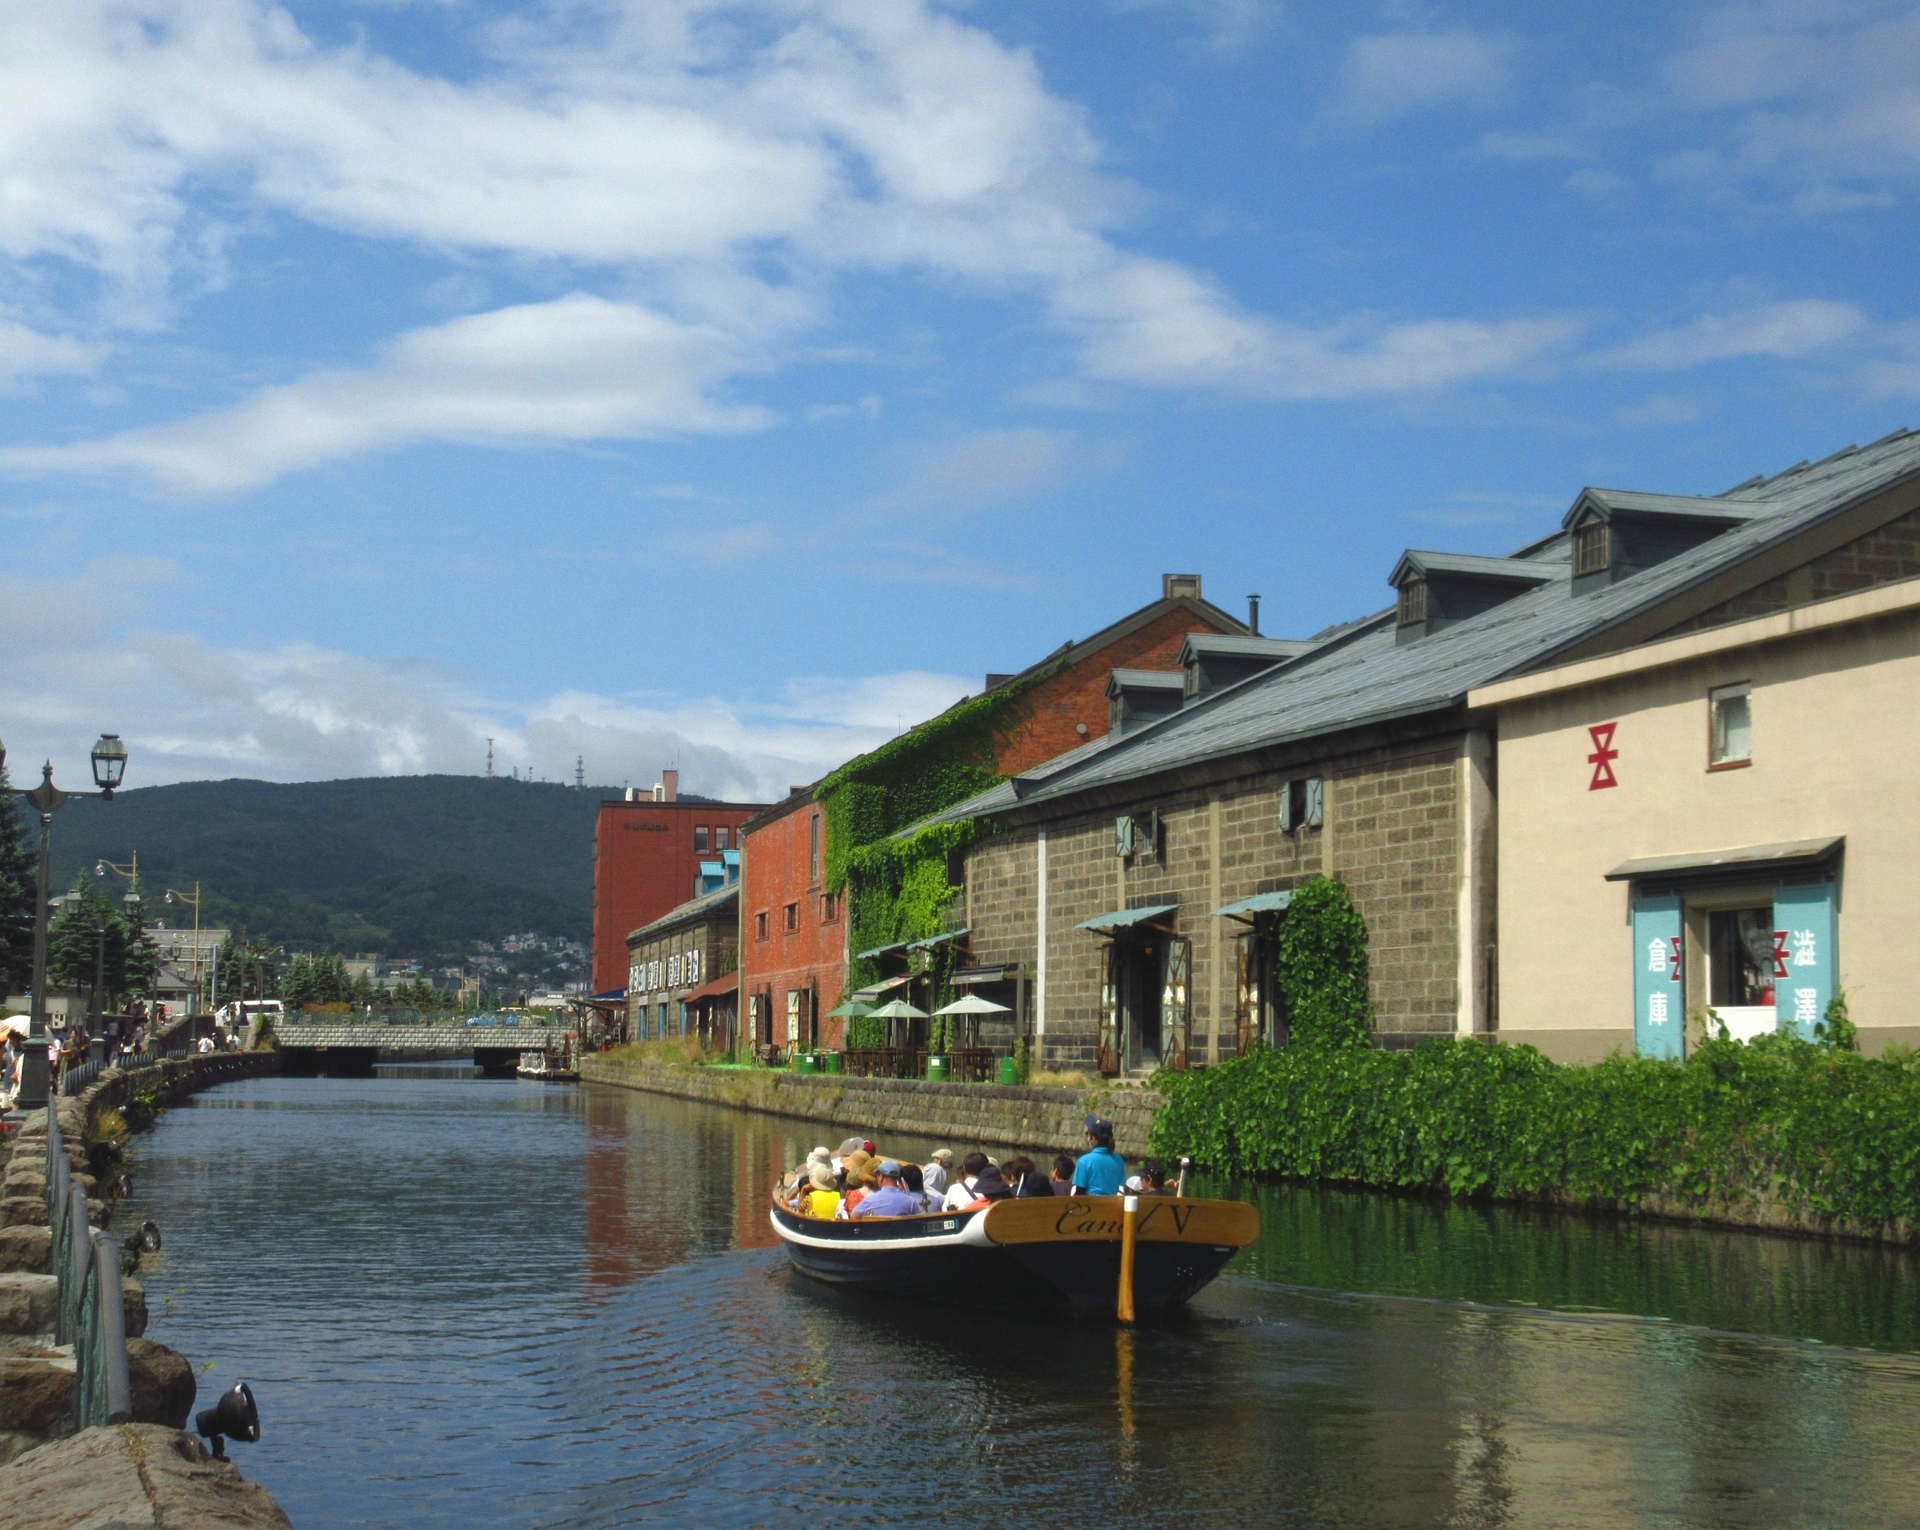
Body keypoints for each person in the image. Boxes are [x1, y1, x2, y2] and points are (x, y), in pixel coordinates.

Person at [1071, 1116, 1126, 1195]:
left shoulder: (1084, 1161)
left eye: (1087, 1134)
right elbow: (1120, 1185)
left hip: (1090, 1202)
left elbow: (1080, 1192)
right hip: (1111, 1202)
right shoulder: (1118, 1160)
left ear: (1092, 1138)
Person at [849, 1161, 924, 1218]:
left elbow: (853, 1217)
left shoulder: (869, 1200)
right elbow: (919, 1221)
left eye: (877, 1175)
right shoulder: (910, 1202)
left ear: (881, 1177)